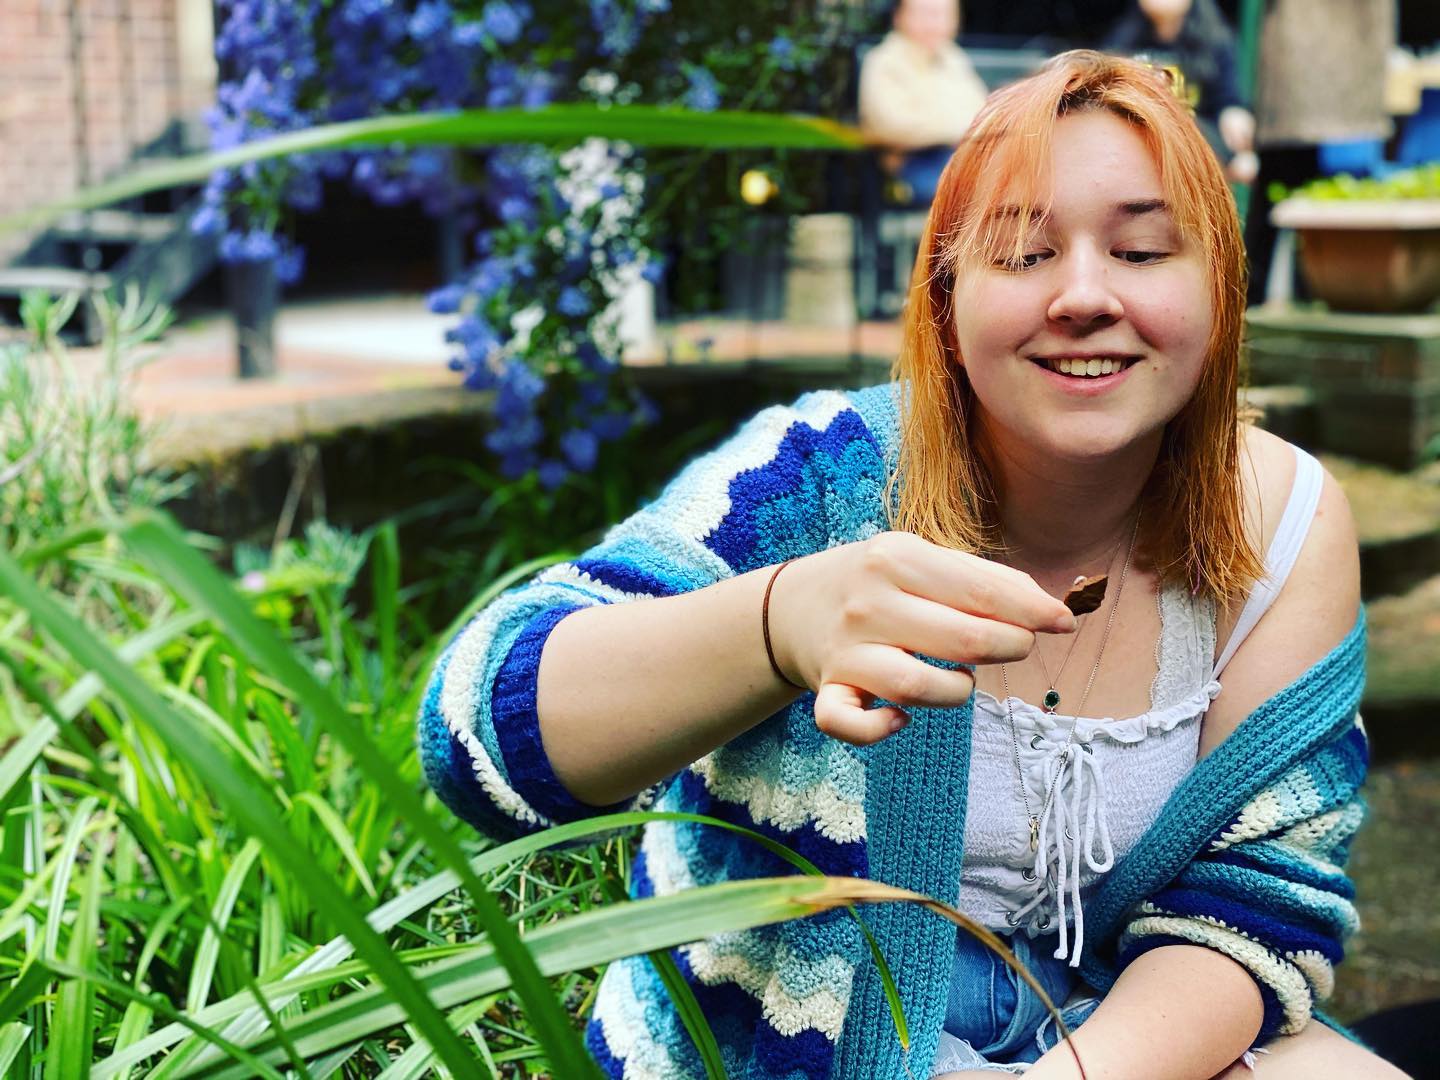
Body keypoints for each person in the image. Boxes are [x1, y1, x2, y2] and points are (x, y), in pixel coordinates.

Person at [419, 51, 1404, 1079]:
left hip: (1107, 1038)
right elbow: (477, 736)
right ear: (946, 299)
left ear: (1220, 290)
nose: (1082, 295)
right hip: (792, 1047)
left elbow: (1256, 895)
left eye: (1144, 249)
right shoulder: (817, 478)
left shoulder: (1284, 523)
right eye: (1022, 255)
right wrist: (783, 622)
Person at [1244, 0, 1395, 306]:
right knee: (1281, 178)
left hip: (1336, 61)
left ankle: (1307, 294)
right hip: (1295, 67)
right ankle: (1256, 297)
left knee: (1308, 191)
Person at [1103, 0, 1258, 183]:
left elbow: (1227, 98)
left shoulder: (1216, 39)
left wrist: (1234, 113)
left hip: (1199, 139)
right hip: (1144, 136)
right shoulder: (1123, 40)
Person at [858, 0, 989, 204]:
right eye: (926, 13)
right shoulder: (884, 60)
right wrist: (959, 128)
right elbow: (890, 125)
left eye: (942, 14)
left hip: (963, 156)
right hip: (913, 163)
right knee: (980, 190)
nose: (934, 22)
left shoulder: (954, 58)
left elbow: (983, 111)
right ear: (899, 17)